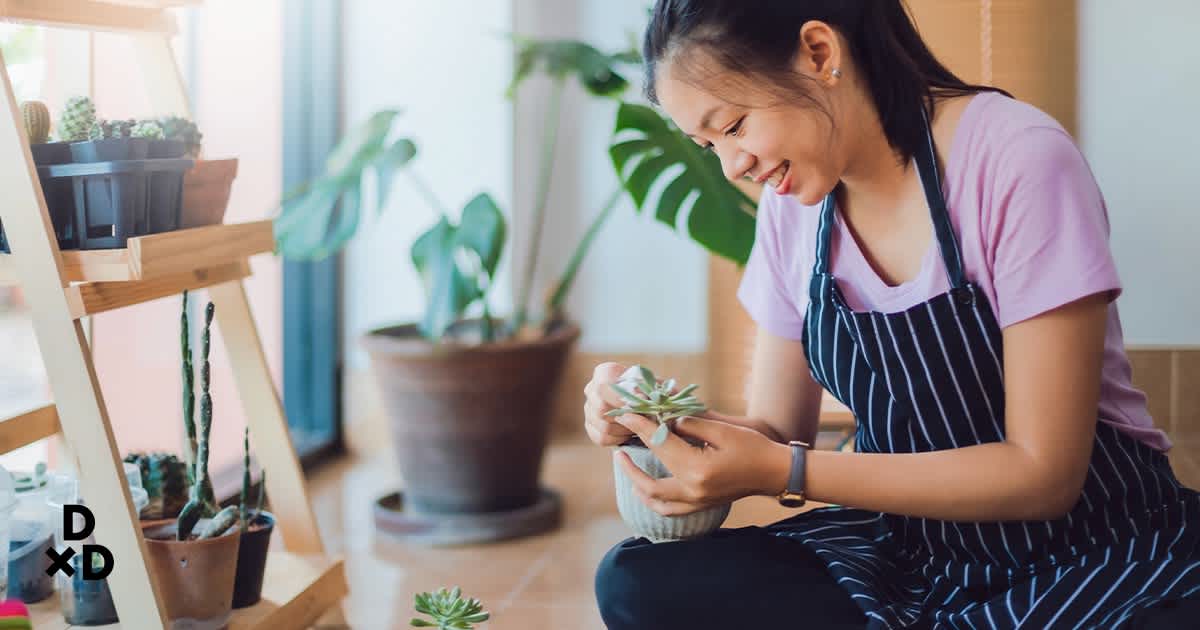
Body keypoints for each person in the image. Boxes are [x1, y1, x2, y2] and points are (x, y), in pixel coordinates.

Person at [583, 2, 1200, 628]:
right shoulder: (793, 204)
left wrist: (785, 470)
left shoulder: (1016, 157)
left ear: (820, 52)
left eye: (735, 126)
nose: (732, 167)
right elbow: (773, 430)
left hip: (1095, 552)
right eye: (707, 144)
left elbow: (1045, 474)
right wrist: (655, 419)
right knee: (637, 582)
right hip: (913, 556)